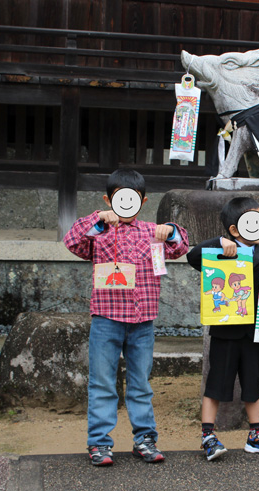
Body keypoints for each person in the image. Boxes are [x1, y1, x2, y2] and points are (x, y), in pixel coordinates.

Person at [64, 168, 189, 466]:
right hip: (106, 318)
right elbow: (73, 242)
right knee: (103, 382)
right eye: (119, 199)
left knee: (140, 383)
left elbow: (180, 245)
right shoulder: (99, 230)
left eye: (132, 199)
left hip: (143, 321)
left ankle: (145, 439)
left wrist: (170, 230)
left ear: (142, 201)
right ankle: (99, 443)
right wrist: (97, 219)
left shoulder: (151, 231)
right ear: (109, 200)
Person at [186, 197, 259, 461]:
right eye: (251, 219)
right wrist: (218, 243)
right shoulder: (220, 250)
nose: (257, 225)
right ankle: (208, 435)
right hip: (225, 330)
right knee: (216, 383)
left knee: (254, 381)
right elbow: (192, 257)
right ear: (234, 230)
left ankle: (256, 436)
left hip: (258, 330)